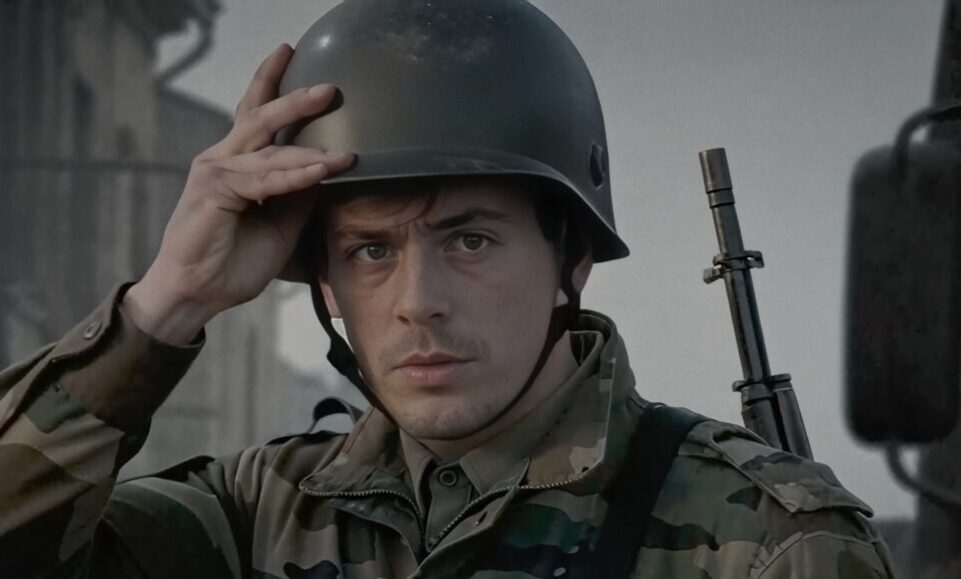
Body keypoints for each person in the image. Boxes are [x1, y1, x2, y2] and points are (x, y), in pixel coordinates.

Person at [0, 0, 895, 577]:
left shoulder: (767, 540)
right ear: (324, 281)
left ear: (570, 257)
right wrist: (165, 303)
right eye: (368, 250)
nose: (416, 299)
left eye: (469, 239)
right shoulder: (256, 514)